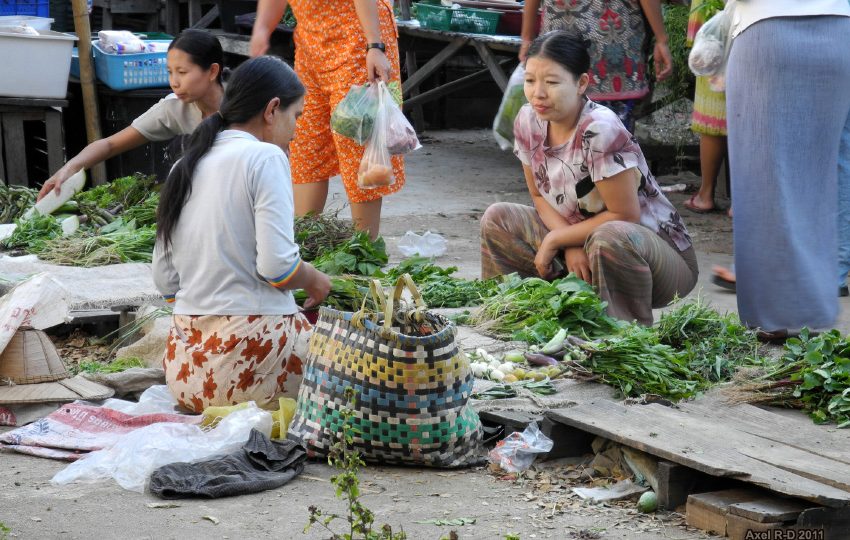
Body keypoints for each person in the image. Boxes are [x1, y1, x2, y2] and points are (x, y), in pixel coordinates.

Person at [152, 56, 332, 413]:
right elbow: (278, 268)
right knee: (350, 369)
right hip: (249, 372)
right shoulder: (264, 157)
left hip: (186, 374)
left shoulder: (183, 164)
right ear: (272, 109)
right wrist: (314, 280)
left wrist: (206, 312)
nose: (296, 130)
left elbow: (164, 279)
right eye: (296, 117)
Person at [480, 31, 698, 326]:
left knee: (608, 237)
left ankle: (620, 334)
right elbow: (537, 195)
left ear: (582, 83)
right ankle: (515, 316)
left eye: (552, 82)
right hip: (584, 239)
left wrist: (556, 239)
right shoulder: (527, 119)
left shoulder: (600, 130)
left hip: (656, 259)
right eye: (530, 81)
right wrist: (569, 245)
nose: (538, 93)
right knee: (498, 217)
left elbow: (625, 215)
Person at [726, 0, 850, 336]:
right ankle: (815, 306)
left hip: (769, 31)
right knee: (825, 172)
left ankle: (781, 317)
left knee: (765, 175)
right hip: (840, 30)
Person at [250, 0, 403, 239]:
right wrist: (261, 29)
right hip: (312, 43)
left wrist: (374, 45)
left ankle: (364, 248)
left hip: (358, 35)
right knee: (305, 141)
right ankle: (304, 242)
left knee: (355, 139)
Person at [37, 29, 225, 201]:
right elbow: (110, 145)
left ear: (212, 71)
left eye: (182, 72)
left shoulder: (244, 107)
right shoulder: (174, 108)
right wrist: (69, 169)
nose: (174, 82)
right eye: (170, 72)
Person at [519, 0, 673, 132]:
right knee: (610, 147)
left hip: (560, 51)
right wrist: (661, 40)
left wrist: (527, 38)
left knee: (557, 142)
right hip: (614, 59)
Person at [683, 0, 728, 214]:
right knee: (750, 120)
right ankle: (743, 200)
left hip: (715, 31)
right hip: (756, 29)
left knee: (712, 119)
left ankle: (706, 194)